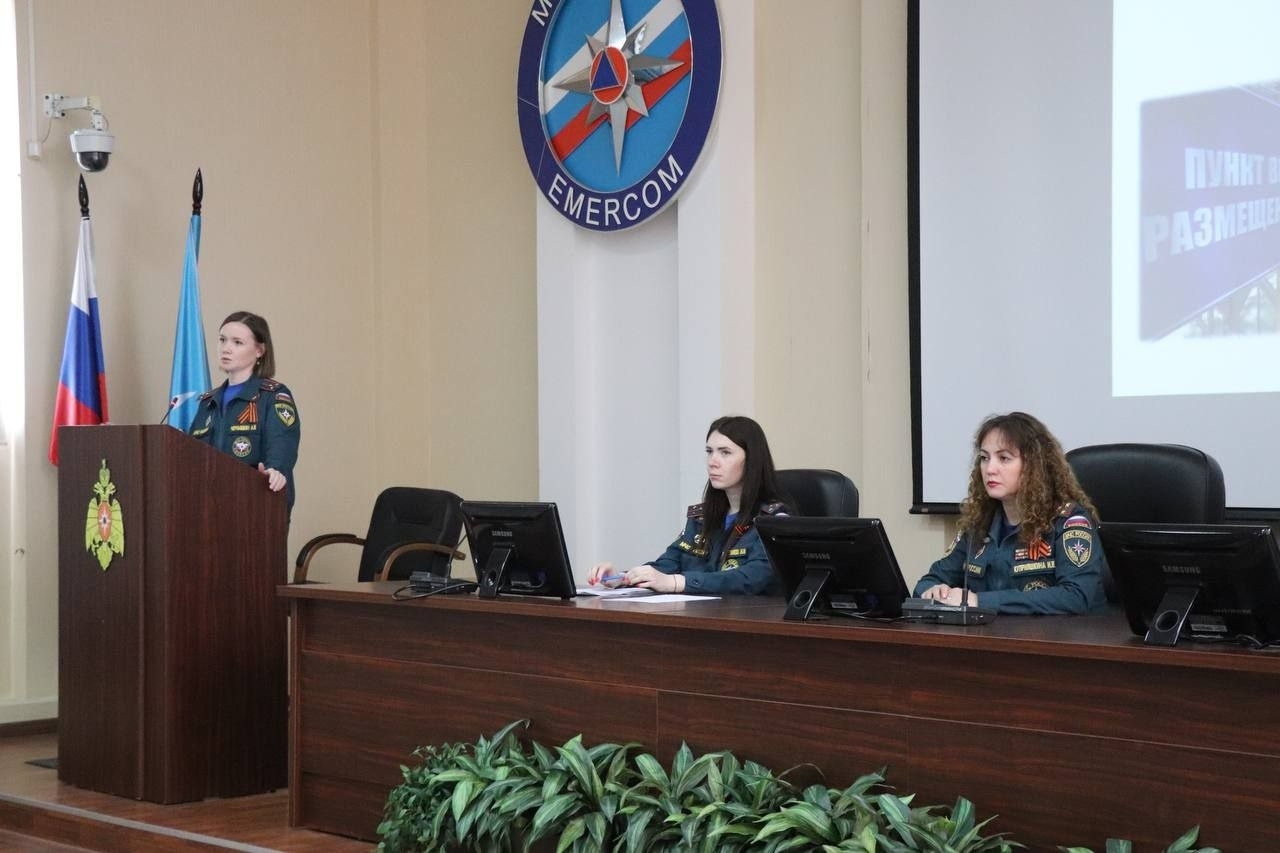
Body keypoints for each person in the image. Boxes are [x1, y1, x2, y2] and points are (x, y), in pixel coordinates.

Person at [914, 411, 1105, 614]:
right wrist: (934, 590)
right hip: (993, 632)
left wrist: (981, 601)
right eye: (984, 458)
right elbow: (928, 581)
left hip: (1061, 633)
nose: (990, 469)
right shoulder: (980, 523)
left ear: (1033, 465)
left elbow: (1076, 596)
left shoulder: (1068, 521)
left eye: (1004, 458)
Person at [587, 415, 789, 595]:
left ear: (752, 460)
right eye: (709, 451)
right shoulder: (702, 518)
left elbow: (751, 578)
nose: (713, 461)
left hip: (748, 619)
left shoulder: (774, 521)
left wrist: (677, 582)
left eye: (725, 452)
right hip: (701, 616)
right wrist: (622, 578)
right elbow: (668, 564)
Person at [188, 311, 301, 511]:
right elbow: (191, 454)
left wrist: (275, 469)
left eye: (237, 342)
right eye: (222, 340)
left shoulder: (273, 396)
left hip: (258, 507)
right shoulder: (208, 402)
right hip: (209, 508)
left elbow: (282, 442)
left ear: (259, 350)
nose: (226, 348)